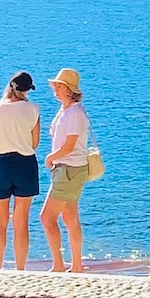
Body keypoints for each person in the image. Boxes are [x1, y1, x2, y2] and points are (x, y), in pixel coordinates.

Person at [41, 66, 99, 273]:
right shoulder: (66, 109)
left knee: (47, 218)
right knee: (70, 217)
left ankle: (59, 264)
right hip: (67, 169)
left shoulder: (74, 112)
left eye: (58, 86)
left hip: (69, 169)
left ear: (68, 89)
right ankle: (76, 265)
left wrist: (51, 157)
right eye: (55, 86)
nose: (54, 89)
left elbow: (70, 144)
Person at [0, 71, 41, 270]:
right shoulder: (33, 109)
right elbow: (34, 143)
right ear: (25, 90)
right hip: (25, 163)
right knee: (21, 220)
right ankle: (20, 269)